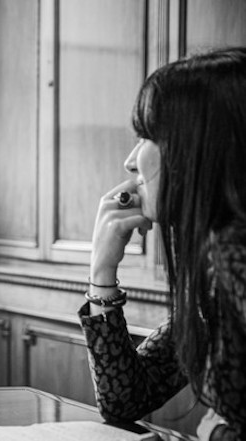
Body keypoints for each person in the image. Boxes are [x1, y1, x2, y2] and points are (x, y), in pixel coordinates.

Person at [79, 47, 246, 440]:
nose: (130, 161)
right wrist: (102, 271)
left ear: (202, 147)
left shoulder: (234, 250)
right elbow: (127, 399)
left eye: (148, 137)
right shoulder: (214, 263)